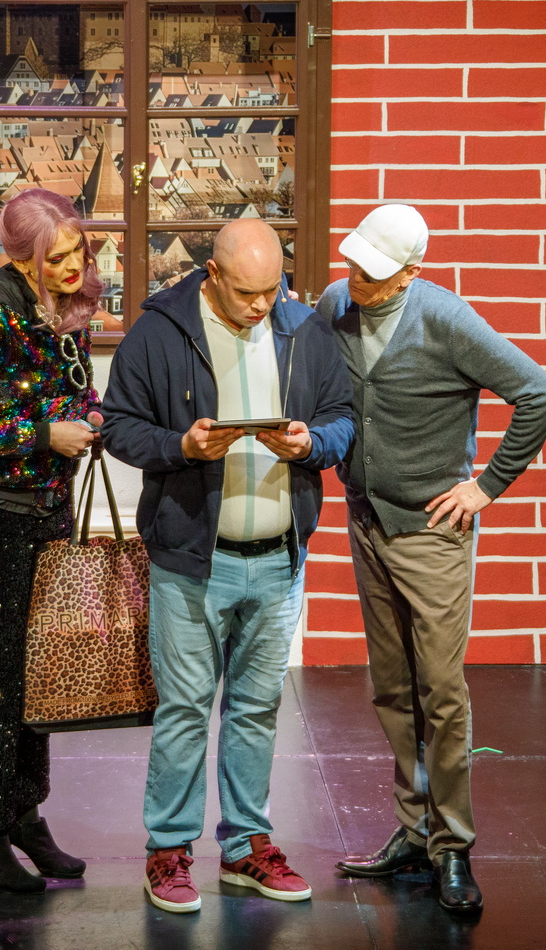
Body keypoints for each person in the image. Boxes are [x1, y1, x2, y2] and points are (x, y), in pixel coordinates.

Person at [101, 217, 355, 914]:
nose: (262, 305)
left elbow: (342, 417)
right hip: (192, 562)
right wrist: (181, 447)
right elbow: (118, 425)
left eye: (273, 289)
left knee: (256, 709)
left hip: (277, 560)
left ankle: (246, 846)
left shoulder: (304, 330)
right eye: (247, 293)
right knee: (185, 709)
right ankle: (168, 850)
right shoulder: (159, 332)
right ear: (212, 275)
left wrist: (311, 444)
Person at [317, 203, 546, 914]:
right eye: (354, 267)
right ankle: (414, 829)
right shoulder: (336, 304)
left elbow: (540, 394)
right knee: (392, 687)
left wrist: (486, 487)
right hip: (367, 520)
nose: (357, 282)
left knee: (441, 692)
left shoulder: (445, 319)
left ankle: (452, 845)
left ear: (410, 274)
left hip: (430, 532)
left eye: (373, 275)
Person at [0, 188, 105, 893]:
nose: (73, 265)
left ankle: (23, 816)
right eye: (55, 257)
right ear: (22, 255)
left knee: (40, 671)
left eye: (77, 250)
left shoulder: (66, 306)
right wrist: (43, 435)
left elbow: (71, 392)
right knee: (3, 674)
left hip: (48, 503)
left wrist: (90, 418)